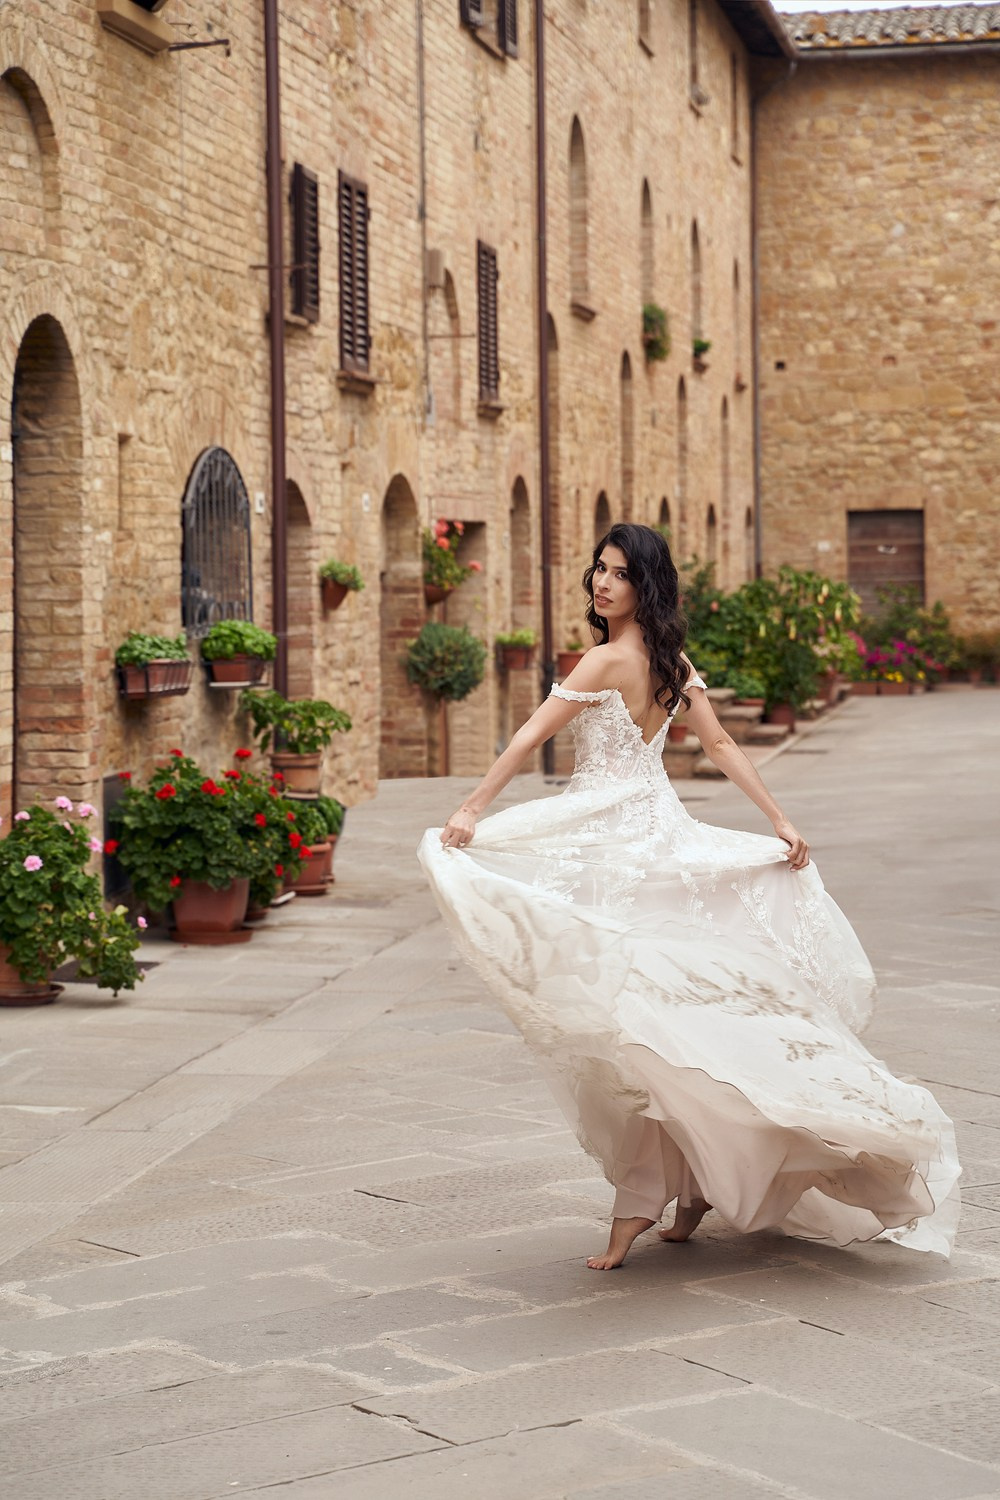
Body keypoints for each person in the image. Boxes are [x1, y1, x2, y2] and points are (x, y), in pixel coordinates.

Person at [418, 524, 959, 1269]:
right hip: (643, 842)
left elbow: (528, 739)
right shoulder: (669, 662)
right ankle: (686, 1189)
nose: (600, 584)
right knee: (662, 1030)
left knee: (645, 1034)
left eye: (617, 573)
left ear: (646, 584)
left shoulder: (607, 660)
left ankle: (650, 1200)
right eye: (597, 571)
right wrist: (775, 819)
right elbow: (720, 745)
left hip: (624, 850)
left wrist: (474, 808)